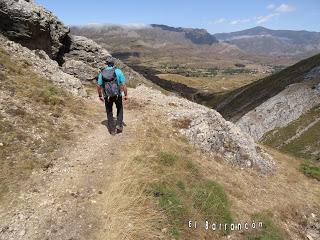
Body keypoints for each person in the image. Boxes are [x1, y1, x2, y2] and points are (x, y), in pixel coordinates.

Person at [97, 56, 128, 135]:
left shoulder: (102, 72)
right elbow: (123, 84)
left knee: (109, 112)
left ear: (106, 63)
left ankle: (112, 130)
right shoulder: (118, 71)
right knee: (120, 109)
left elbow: (99, 86)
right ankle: (119, 125)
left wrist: (100, 95)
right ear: (113, 63)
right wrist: (125, 94)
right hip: (117, 94)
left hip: (107, 96)